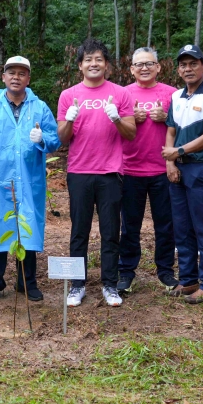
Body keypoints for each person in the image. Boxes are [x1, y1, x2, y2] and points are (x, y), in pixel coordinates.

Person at [0, 56, 61, 305]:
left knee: (27, 228)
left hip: (29, 181)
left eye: (22, 73)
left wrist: (42, 139)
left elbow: (55, 140)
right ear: (3, 77)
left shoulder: (39, 107)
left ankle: (27, 280)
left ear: (28, 78)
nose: (16, 77)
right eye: (12, 72)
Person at [57, 38, 136, 308]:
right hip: (79, 171)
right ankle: (77, 285)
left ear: (107, 66)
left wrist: (115, 117)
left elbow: (131, 133)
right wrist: (70, 119)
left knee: (111, 230)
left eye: (99, 59)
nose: (94, 63)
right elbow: (63, 139)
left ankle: (110, 285)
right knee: (79, 230)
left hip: (110, 172)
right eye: (88, 59)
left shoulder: (121, 94)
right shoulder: (69, 95)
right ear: (80, 65)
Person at [161, 45, 203, 304]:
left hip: (202, 169)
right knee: (182, 228)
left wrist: (177, 151)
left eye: (193, 63)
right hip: (179, 168)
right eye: (183, 65)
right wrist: (171, 163)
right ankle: (189, 279)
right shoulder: (176, 97)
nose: (188, 69)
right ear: (178, 69)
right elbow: (170, 131)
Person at [118, 47, 178, 295]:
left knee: (165, 225)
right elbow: (112, 127)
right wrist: (131, 118)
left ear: (158, 67)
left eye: (149, 64)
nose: (144, 68)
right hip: (129, 168)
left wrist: (167, 117)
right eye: (139, 64)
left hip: (162, 169)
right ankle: (126, 273)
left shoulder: (172, 94)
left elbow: (184, 128)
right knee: (129, 226)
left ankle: (165, 271)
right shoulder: (122, 94)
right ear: (131, 69)